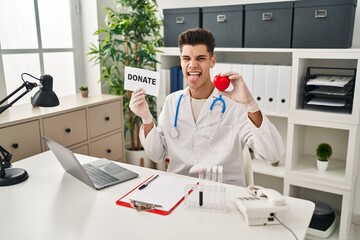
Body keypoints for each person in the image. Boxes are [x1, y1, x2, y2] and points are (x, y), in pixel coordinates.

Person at [129, 28, 284, 187]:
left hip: (222, 193)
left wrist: (250, 104)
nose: (192, 65)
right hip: (179, 190)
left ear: (212, 61)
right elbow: (157, 155)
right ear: (181, 61)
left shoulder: (234, 105)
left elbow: (272, 155)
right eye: (186, 58)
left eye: (200, 58)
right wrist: (146, 118)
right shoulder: (171, 102)